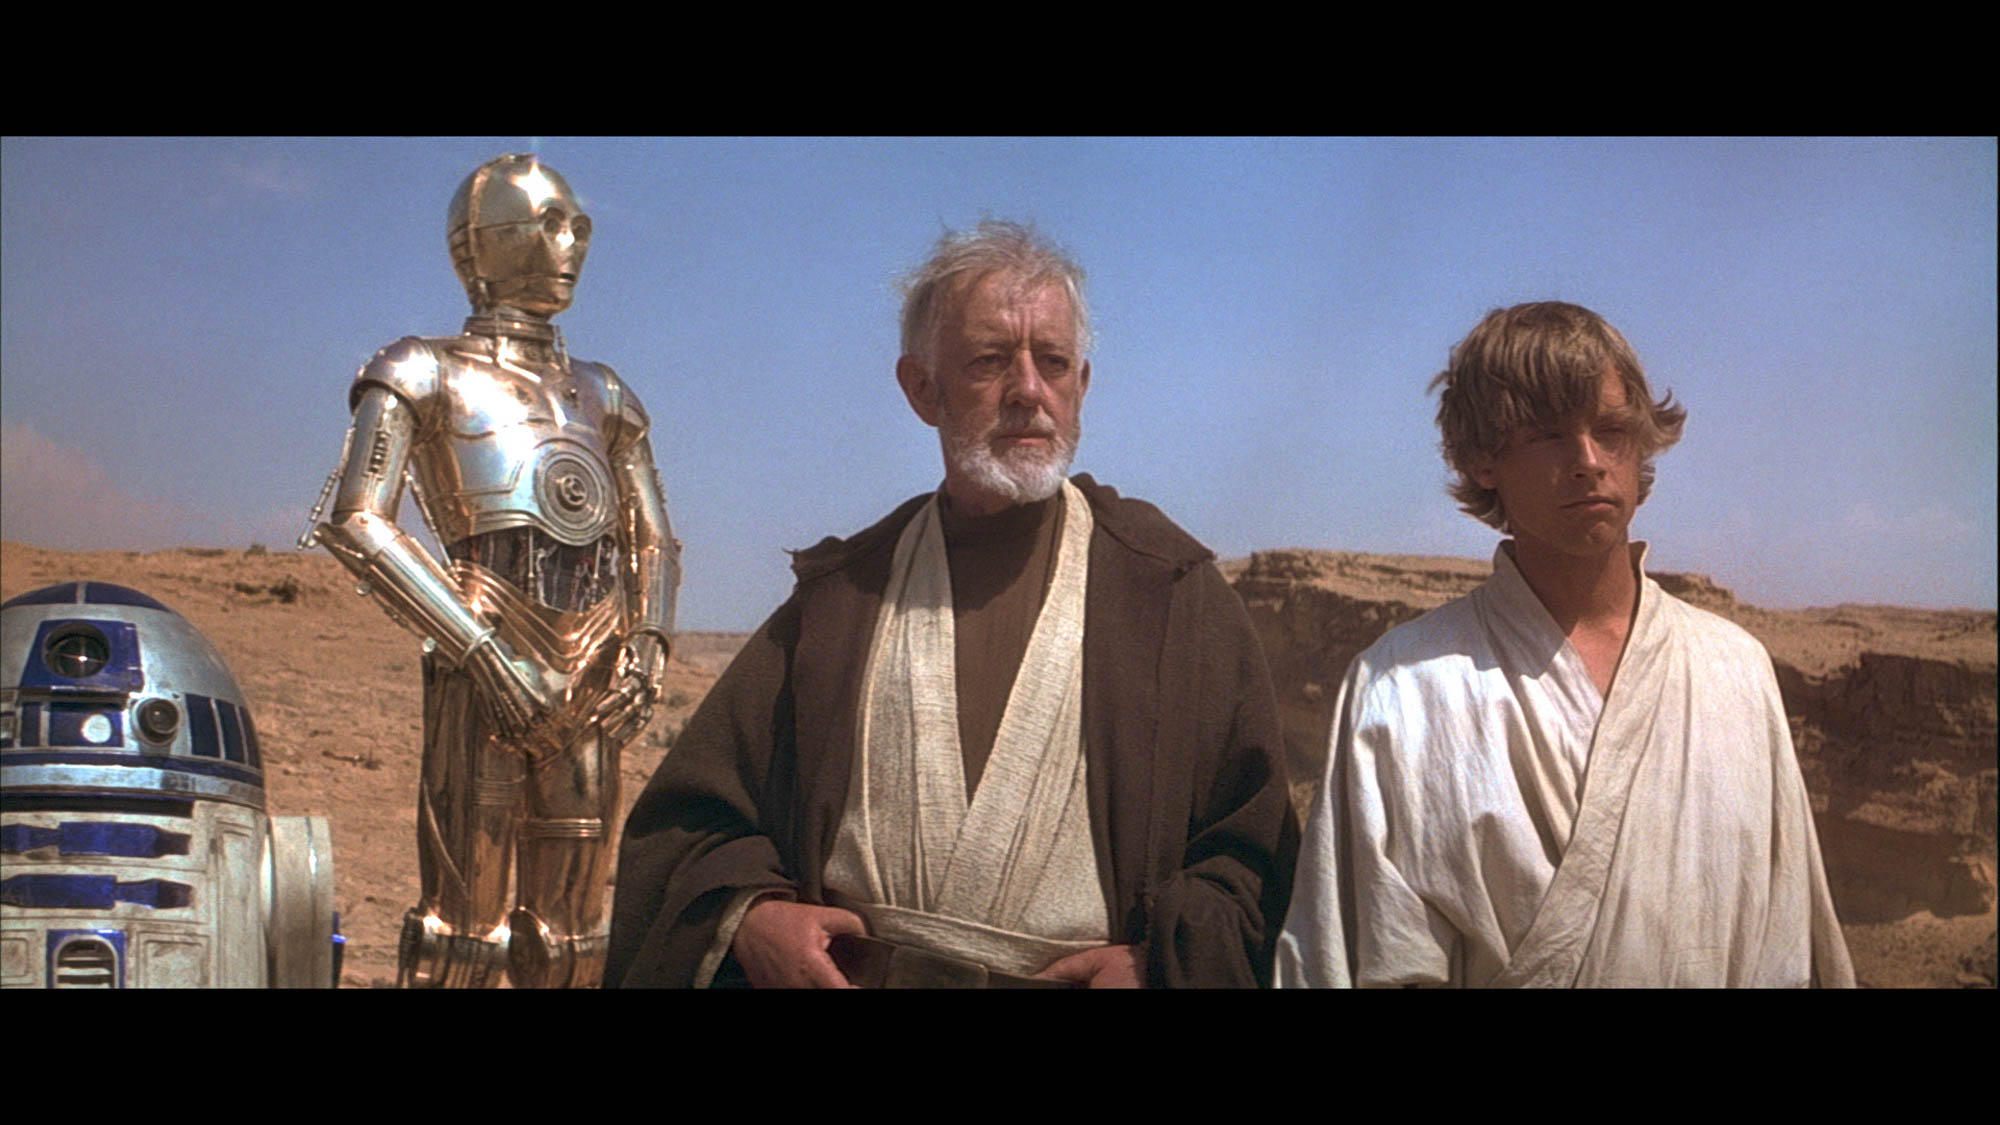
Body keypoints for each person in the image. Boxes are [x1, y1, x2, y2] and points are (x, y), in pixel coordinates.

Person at [607, 221, 1293, 988]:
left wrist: (1158, 965)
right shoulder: (844, 598)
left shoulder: (1169, 596)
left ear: (1081, 386)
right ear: (922, 389)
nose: (1027, 391)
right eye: (990, 361)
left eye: (1052, 362)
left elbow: (1253, 858)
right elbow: (687, 826)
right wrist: (751, 917)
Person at [1276, 301, 1853, 988]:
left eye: (1611, 431)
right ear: (1484, 460)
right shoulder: (1403, 687)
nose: (1588, 462)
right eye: (1549, 435)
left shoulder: (1735, 670)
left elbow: (1788, 942)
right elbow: (1361, 954)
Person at [308, 154, 680, 988]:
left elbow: (652, 536)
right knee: (462, 937)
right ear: (481, 243)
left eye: (579, 227)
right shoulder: (422, 370)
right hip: (482, 656)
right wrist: (483, 652)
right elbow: (356, 517)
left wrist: (649, 642)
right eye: (549, 224)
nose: (571, 245)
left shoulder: (604, 393)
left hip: (595, 671)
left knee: (574, 938)